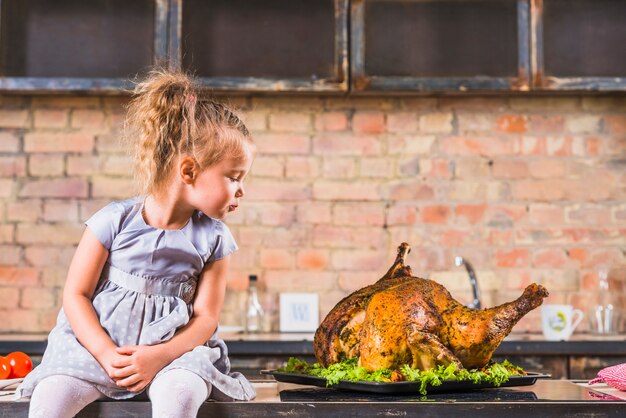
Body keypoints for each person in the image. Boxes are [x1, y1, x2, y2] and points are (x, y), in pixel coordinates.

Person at [16, 70, 256, 418]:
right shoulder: (112, 221)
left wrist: (159, 356)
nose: (241, 191)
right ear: (188, 171)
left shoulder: (215, 239)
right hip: (96, 352)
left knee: (181, 393)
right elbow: (75, 295)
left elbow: (206, 318)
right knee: (51, 398)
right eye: (234, 177)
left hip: (174, 357)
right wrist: (104, 352)